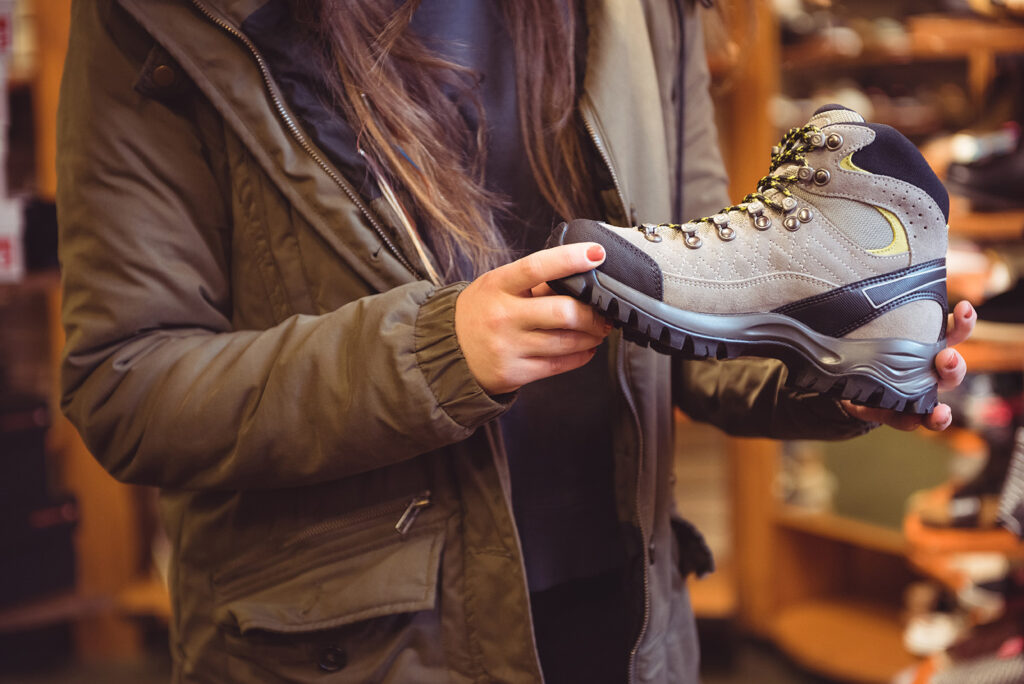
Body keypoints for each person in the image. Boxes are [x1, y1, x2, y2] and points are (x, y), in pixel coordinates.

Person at [57, 1, 974, 682]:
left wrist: (829, 370)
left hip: (628, 620)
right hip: (345, 652)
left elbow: (697, 302)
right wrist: (433, 353)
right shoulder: (168, 18)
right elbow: (126, 385)